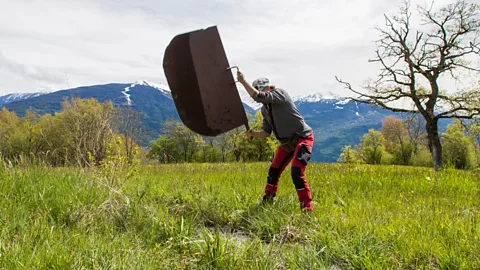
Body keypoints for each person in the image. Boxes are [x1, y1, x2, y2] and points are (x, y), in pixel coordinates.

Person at [237, 71, 315, 212]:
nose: (261, 92)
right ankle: (268, 201)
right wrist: (253, 134)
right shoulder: (264, 110)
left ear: (268, 88)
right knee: (273, 171)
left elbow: (258, 97)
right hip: (286, 143)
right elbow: (266, 133)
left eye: (262, 89)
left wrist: (243, 81)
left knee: (296, 172)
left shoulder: (280, 94)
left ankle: (307, 208)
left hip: (302, 138)